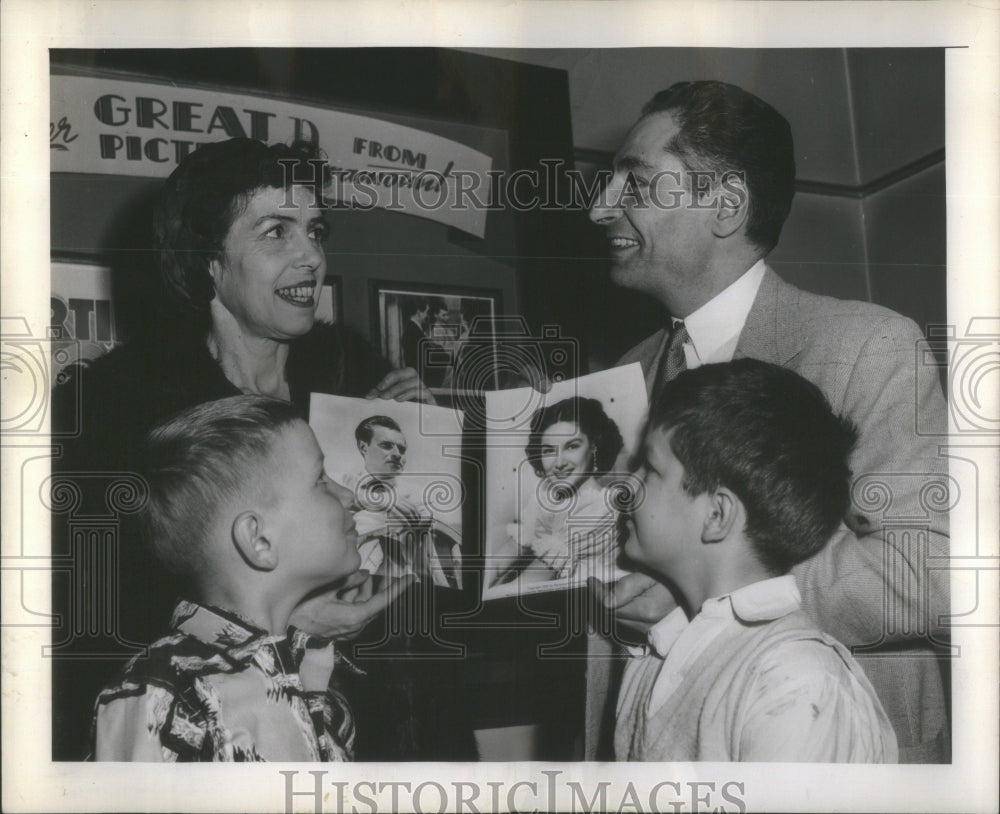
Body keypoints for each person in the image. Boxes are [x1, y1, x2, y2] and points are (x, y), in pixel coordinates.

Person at [587, 81, 950, 762]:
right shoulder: (628, 372)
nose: (599, 206)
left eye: (634, 182)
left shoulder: (867, 347)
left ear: (726, 205)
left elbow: (929, 569)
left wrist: (706, 594)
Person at [50, 138, 427, 759]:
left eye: (315, 230)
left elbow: (428, 567)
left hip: (388, 731)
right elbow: (92, 613)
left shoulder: (358, 380)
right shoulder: (125, 413)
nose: (311, 255)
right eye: (276, 232)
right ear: (209, 262)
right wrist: (284, 622)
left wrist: (433, 449)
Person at [616, 359, 897, 762]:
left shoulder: (794, 680)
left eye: (650, 470)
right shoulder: (660, 648)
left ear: (716, 515)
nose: (628, 485)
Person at [92, 396, 361, 762]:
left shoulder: (314, 677)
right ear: (259, 540)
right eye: (320, 480)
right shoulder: (161, 694)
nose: (349, 495)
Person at [494, 396, 624, 586]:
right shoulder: (548, 499)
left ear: (594, 447)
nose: (559, 463)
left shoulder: (601, 510)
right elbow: (499, 562)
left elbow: (524, 586)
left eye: (572, 446)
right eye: (548, 450)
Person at [333, 415, 462, 589]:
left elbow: (425, 525)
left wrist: (360, 511)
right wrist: (379, 503)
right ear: (364, 447)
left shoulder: (417, 494)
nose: (397, 454)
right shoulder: (342, 482)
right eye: (386, 445)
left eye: (402, 450)